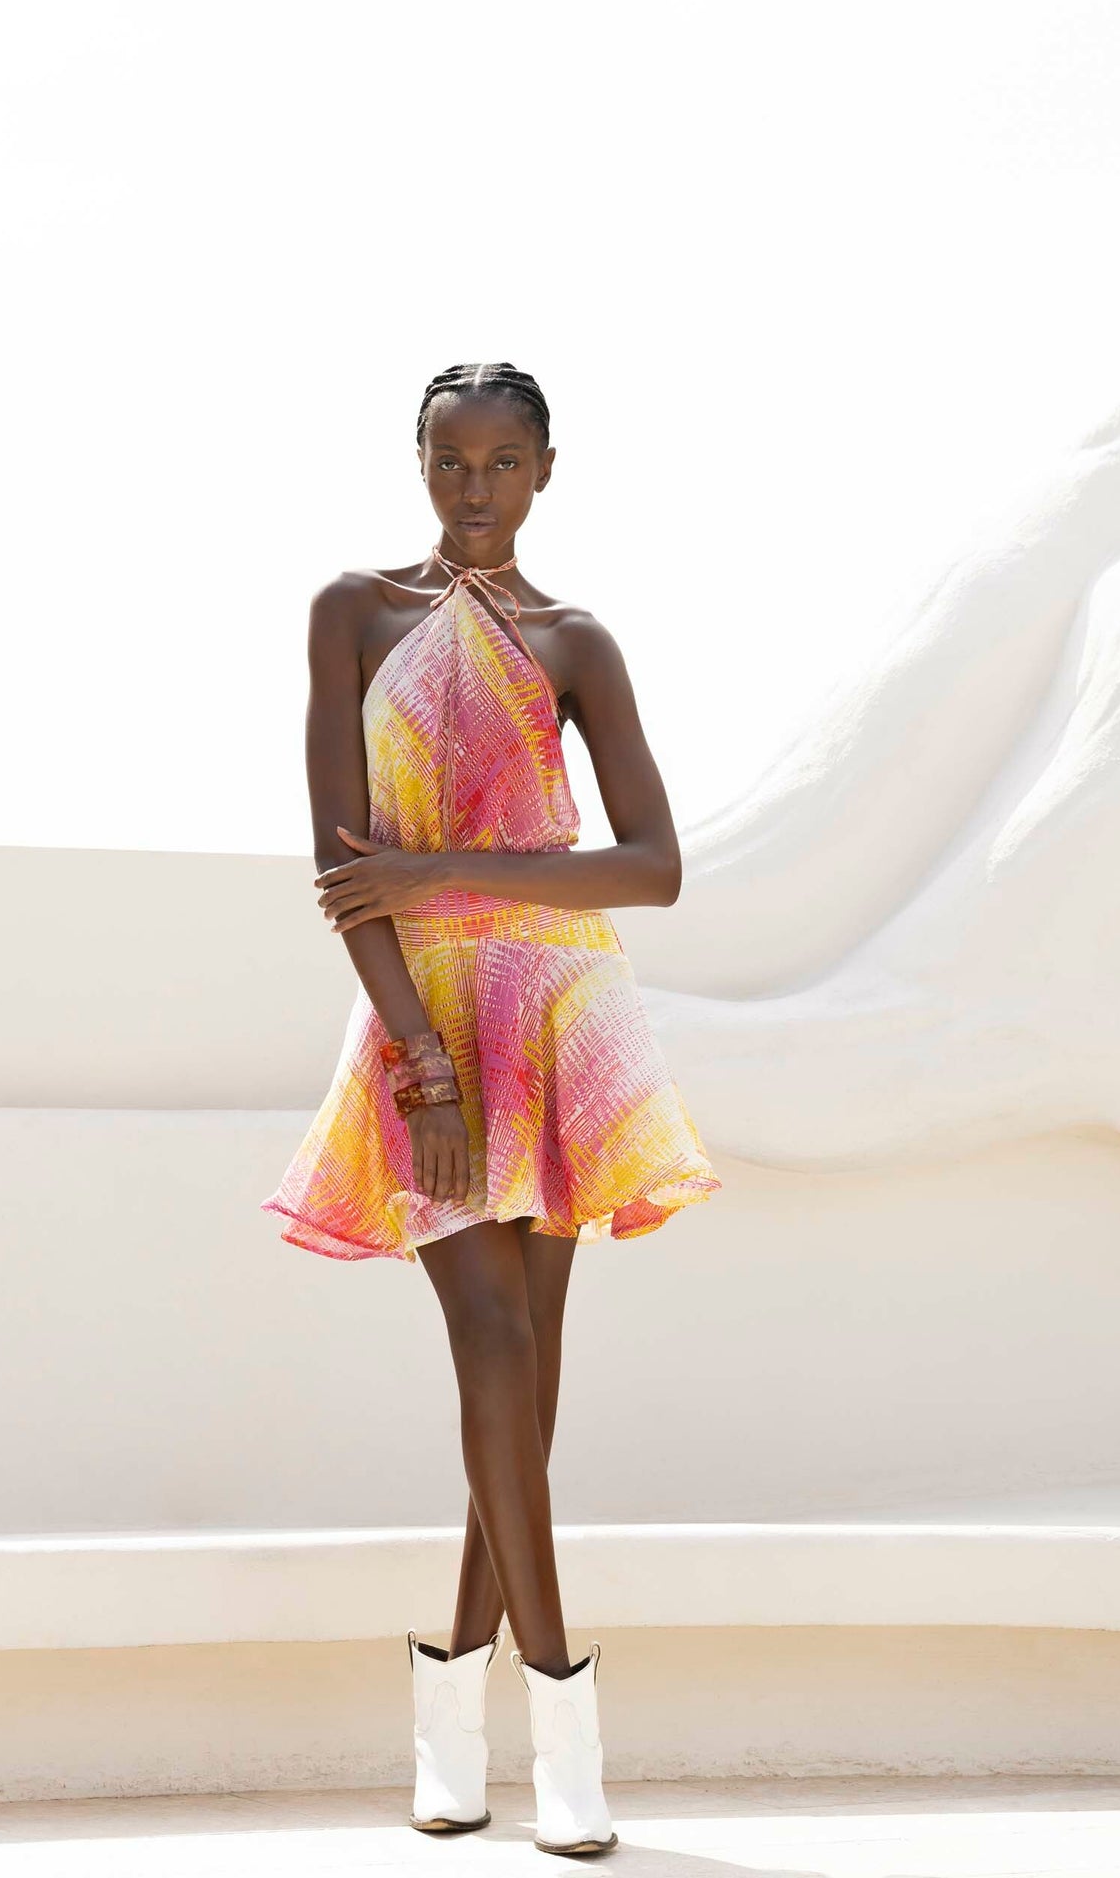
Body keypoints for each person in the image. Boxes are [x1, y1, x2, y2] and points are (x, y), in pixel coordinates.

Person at [262, 361, 720, 1857]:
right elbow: (346, 873)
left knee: (524, 1381)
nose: (475, 485)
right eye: (451, 459)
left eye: (503, 461)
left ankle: (451, 1727)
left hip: (563, 1009)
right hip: (431, 1027)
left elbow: (648, 864)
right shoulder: (353, 611)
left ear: (543, 471)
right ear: (419, 461)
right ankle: (562, 1723)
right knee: (497, 1348)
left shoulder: (576, 640)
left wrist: (445, 873)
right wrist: (422, 1059)